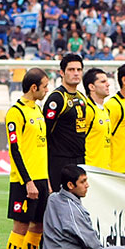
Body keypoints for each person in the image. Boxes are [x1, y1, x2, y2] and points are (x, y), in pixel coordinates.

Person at [4, 68, 51, 249]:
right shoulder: (16, 112)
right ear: (34, 87)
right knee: (20, 227)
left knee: (38, 228)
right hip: (25, 181)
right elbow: (15, 149)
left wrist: (46, 181)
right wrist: (28, 181)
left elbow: (41, 150)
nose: (46, 89)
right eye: (44, 86)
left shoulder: (38, 110)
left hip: (42, 180)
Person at [43, 54, 90, 190]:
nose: (76, 73)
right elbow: (46, 132)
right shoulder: (57, 98)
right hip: (60, 161)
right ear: (62, 73)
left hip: (79, 160)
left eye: (79, 69)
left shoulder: (81, 98)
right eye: (71, 70)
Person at [82, 68, 111, 170]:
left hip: (105, 170)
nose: (108, 84)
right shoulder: (87, 110)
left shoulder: (105, 110)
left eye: (107, 81)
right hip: (91, 170)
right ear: (91, 86)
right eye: (103, 82)